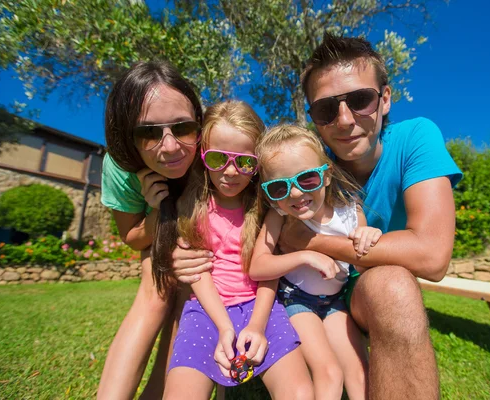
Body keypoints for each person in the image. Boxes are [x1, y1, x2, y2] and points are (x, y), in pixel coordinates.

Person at [275, 33, 463, 399]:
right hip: (314, 292)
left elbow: (431, 255)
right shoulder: (308, 172)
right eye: (326, 109)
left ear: (386, 98)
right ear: (313, 118)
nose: (344, 120)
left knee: (390, 285)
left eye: (360, 100)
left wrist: (313, 242)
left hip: (365, 290)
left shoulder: (416, 138)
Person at [158, 101, 314, 399]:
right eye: (218, 158)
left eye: (244, 162)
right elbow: (197, 272)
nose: (230, 172)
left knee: (300, 392)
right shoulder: (191, 206)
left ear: (257, 164)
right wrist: (224, 326)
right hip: (205, 310)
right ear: (203, 156)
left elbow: (269, 270)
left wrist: (256, 324)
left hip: (262, 308)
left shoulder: (267, 208)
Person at [98, 61, 215, 399]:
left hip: (206, 236)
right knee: (156, 291)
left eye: (182, 127)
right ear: (126, 135)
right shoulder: (121, 167)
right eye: (148, 132)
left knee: (189, 297)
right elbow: (132, 237)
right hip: (158, 228)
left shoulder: (212, 147)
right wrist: (154, 210)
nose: (170, 146)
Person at [249, 124, 381, 400]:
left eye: (307, 179)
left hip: (336, 302)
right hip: (296, 300)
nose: (295, 193)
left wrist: (369, 235)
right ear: (269, 193)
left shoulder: (351, 213)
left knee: (359, 372)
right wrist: (306, 255)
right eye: (279, 187)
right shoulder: (278, 215)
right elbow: (258, 266)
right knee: (329, 372)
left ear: (327, 174)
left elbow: (363, 268)